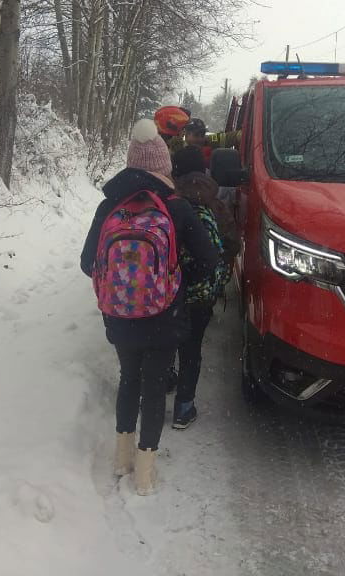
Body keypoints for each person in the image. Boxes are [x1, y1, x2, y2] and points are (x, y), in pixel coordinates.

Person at [80, 120, 218, 495]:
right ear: (163, 165)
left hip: (120, 315)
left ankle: (121, 459)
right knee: (155, 386)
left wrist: (122, 281)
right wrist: (172, 274)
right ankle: (144, 474)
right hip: (164, 314)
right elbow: (210, 258)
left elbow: (86, 262)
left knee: (129, 378)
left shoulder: (110, 206)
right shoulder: (177, 208)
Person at [167, 145, 241, 429]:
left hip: (169, 288)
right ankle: (184, 408)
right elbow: (232, 244)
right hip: (202, 292)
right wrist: (217, 277)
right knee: (192, 347)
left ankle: (165, 381)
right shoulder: (216, 203)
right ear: (205, 171)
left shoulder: (169, 200)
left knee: (166, 339)